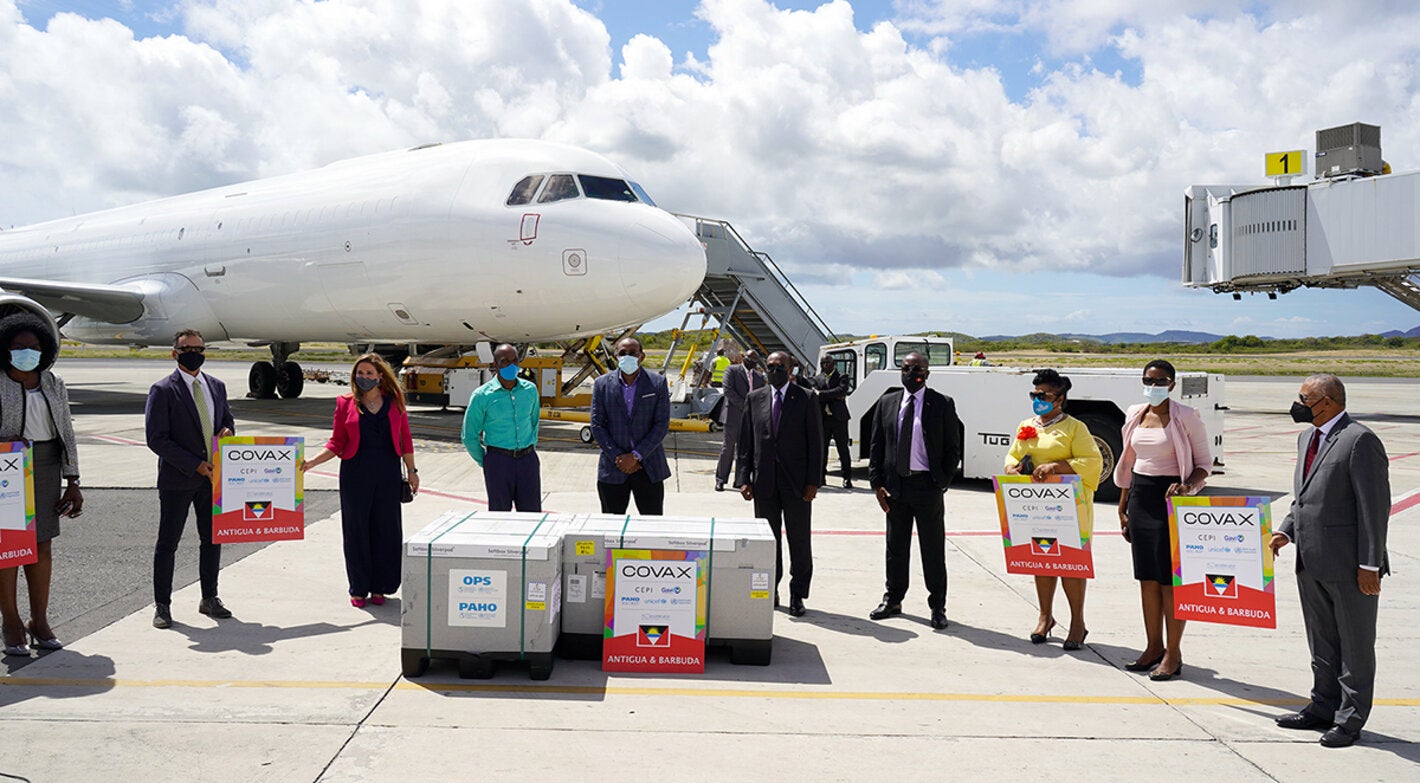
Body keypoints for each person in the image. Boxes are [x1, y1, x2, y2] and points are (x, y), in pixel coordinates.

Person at [1269, 374, 1389, 748]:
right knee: (1322, 640)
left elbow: (1374, 508)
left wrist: (1370, 564)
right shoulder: (1307, 437)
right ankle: (1322, 706)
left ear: (1330, 401)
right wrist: (1287, 531)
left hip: (1350, 565)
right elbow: (1304, 497)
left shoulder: (1360, 441)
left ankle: (1350, 719)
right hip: (1310, 558)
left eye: (1306, 398)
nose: (1299, 404)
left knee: (1355, 645)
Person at [1114, 359, 1212, 681]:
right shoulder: (1135, 413)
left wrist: (1188, 487)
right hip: (1141, 496)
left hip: (1171, 499)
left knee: (1170, 581)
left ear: (1172, 384)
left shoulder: (1186, 417)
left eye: (1160, 381)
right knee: (1147, 578)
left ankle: (1173, 652)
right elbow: (1130, 461)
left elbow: (1203, 464)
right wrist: (1124, 502)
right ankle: (1152, 646)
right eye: (1148, 380)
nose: (1153, 386)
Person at [301, 354, 418, 608]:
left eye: (369, 373)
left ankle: (381, 586)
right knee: (356, 531)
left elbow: (405, 438)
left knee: (387, 531)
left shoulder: (394, 401)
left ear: (380, 376)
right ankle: (359, 587)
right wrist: (311, 462)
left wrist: (412, 470)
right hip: (355, 473)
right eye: (359, 373)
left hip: (387, 474)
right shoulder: (345, 403)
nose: (363, 377)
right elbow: (336, 442)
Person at [0, 314, 83, 655]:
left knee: (41, 547)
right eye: (18, 347)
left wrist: (73, 480)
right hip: (8, 467)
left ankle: (39, 620)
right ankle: (10, 621)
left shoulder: (53, 382)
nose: (26, 352)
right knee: (9, 551)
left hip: (47, 464)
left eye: (33, 347)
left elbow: (67, 431)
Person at [1003, 369, 1102, 650]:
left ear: (1059, 399)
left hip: (1068, 507)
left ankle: (1077, 623)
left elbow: (1092, 461)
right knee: (1041, 560)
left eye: (1043, 395)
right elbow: (1014, 453)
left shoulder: (1075, 428)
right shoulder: (1027, 425)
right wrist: (1011, 466)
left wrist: (1056, 467)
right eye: (1033, 395)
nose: (1037, 399)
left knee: (1070, 564)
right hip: (1036, 506)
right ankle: (1045, 616)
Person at [146, 329, 235, 628]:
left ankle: (209, 597)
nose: (194, 353)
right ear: (175, 353)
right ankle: (162, 605)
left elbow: (227, 420)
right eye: (186, 349)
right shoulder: (162, 390)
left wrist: (227, 432)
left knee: (212, 540)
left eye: (199, 348)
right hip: (179, 478)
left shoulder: (217, 386)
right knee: (168, 543)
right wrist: (195, 464)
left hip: (213, 479)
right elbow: (157, 439)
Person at [866, 352, 958, 630]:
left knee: (932, 549)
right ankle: (893, 599)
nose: (911, 373)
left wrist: (942, 481)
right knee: (896, 548)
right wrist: (876, 483)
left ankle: (937, 606)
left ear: (927, 373)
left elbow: (953, 448)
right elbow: (876, 446)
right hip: (896, 487)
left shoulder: (941, 403)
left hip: (927, 487)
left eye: (917, 369)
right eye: (906, 368)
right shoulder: (887, 403)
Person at [736, 351, 823, 617]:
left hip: (797, 485)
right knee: (767, 542)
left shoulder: (806, 399)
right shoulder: (755, 398)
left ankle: (798, 594)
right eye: (770, 366)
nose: (774, 370)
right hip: (764, 483)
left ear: (790, 369)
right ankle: (770, 589)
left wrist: (813, 482)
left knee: (799, 541)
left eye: (779, 366)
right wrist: (743, 478)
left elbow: (816, 443)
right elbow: (745, 443)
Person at [590, 337, 670, 515]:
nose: (627, 356)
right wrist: (619, 457)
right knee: (611, 527)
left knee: (651, 524)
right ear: (616, 356)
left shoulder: (657, 383)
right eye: (622, 353)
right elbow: (597, 425)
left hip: (648, 466)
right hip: (613, 467)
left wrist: (636, 456)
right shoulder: (602, 384)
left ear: (642, 356)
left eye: (632, 353)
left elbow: (662, 424)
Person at [460, 344, 540, 512]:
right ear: (495, 366)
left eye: (514, 360)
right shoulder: (482, 396)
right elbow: (469, 435)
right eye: (504, 362)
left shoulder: (530, 390)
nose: (511, 365)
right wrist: (487, 462)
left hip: (527, 460)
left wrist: (530, 447)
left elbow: (534, 422)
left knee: (532, 515)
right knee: (499, 516)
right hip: (499, 461)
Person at [714, 350, 762, 492]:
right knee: (728, 448)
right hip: (733, 416)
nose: (752, 363)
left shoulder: (759, 376)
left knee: (746, 450)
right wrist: (746, 406)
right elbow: (728, 390)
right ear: (744, 358)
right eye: (750, 359)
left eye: (755, 361)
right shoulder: (732, 370)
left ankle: (741, 480)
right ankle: (721, 479)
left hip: (751, 418)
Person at [809, 354, 854, 489]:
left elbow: (841, 390)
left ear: (833, 363)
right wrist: (834, 396)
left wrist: (822, 394)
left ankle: (847, 478)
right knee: (822, 449)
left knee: (843, 449)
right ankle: (821, 476)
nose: (824, 365)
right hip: (823, 418)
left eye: (827, 362)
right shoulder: (818, 378)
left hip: (839, 418)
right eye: (822, 363)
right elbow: (816, 394)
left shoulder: (842, 376)